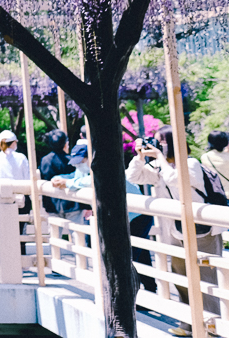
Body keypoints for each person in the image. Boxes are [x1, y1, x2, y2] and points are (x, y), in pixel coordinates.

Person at [128, 126, 223, 326]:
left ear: (172, 143)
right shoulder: (159, 167)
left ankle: (211, 327)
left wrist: (159, 159)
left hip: (203, 232)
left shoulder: (191, 163)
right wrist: (139, 156)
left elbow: (176, 180)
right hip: (175, 232)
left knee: (206, 281)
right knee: (181, 278)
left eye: (160, 142)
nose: (156, 146)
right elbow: (133, 177)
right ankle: (188, 324)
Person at [52, 144, 156, 293]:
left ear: (90, 158)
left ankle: (134, 293)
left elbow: (94, 180)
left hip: (138, 215)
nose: (78, 165)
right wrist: (59, 179)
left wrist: (67, 183)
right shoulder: (83, 169)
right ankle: (149, 290)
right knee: (139, 255)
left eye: (81, 161)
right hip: (127, 215)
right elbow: (75, 177)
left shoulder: (106, 166)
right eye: (75, 162)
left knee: (132, 255)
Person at [0, 129, 32, 253]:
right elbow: (27, 177)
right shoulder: (21, 157)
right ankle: (22, 256)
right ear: (13, 143)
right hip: (21, 196)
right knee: (21, 229)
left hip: (4, 196)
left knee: (5, 229)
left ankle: (7, 255)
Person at [39, 129, 85, 225]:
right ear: (65, 143)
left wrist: (45, 205)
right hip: (73, 203)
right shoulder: (72, 160)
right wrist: (86, 206)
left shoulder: (45, 161)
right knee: (78, 236)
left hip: (53, 204)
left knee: (54, 236)